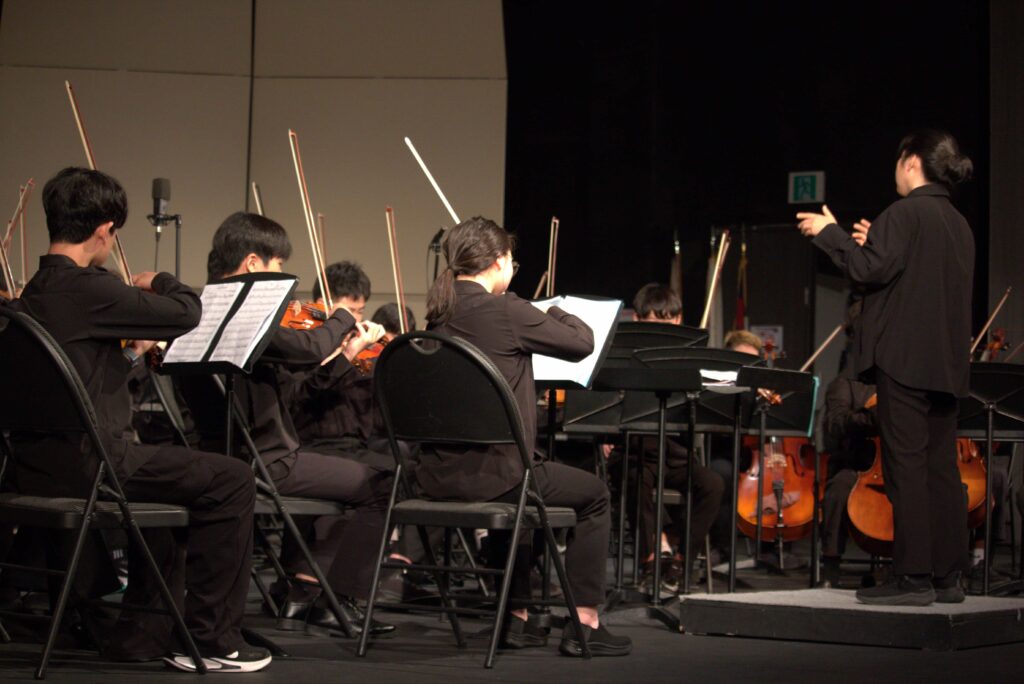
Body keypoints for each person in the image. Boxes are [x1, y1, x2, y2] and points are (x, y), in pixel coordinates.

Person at [7, 168, 269, 672]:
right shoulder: (90, 288)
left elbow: (73, 384)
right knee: (233, 478)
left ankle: (141, 635)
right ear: (105, 231)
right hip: (95, 465)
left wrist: (130, 357)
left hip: (34, 464)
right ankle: (213, 640)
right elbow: (186, 311)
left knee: (169, 487)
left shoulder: (33, 294)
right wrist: (159, 281)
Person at [420, 216, 631, 657]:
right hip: (498, 476)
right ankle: (586, 621)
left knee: (517, 477)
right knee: (593, 494)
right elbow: (580, 342)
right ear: (498, 262)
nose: (512, 267)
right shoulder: (508, 309)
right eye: (511, 260)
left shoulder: (436, 315)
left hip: (438, 476)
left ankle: (517, 616)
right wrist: (550, 308)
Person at [193, 212, 395, 637]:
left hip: (214, 460)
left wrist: (346, 354)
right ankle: (339, 601)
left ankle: (314, 589)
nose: (284, 280)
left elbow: (294, 387)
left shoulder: (202, 308)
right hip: (267, 462)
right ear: (252, 263)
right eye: (278, 266)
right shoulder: (249, 316)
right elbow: (309, 348)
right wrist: (339, 316)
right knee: (386, 481)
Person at [798, 129, 974, 605]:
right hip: (947, 367)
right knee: (941, 471)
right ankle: (946, 578)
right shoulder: (958, 223)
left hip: (905, 362)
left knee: (906, 468)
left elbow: (866, 270)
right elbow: (897, 268)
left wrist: (828, 234)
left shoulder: (905, 213)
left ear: (911, 161)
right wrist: (868, 242)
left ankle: (913, 578)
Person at [608, 283, 726, 592]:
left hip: (672, 452)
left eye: (668, 322)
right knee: (636, 474)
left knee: (713, 483)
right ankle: (652, 556)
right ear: (637, 321)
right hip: (633, 449)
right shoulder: (621, 354)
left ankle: (678, 555)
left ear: (678, 321)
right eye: (653, 322)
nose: (662, 330)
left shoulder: (688, 357)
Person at [819, 374, 878, 587]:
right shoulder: (845, 384)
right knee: (838, 490)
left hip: (900, 468)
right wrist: (872, 415)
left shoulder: (904, 382)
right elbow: (835, 423)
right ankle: (831, 568)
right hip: (857, 466)